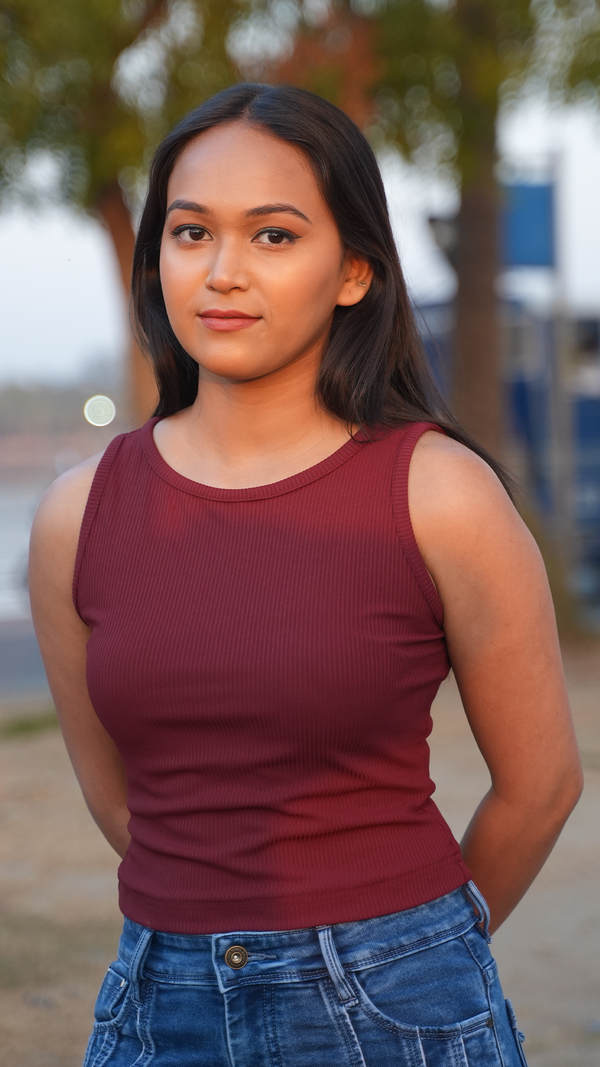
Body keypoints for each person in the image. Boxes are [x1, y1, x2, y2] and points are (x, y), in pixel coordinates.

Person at [29, 84, 582, 1067]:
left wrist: (416, 951)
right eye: (192, 232)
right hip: (157, 1000)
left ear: (355, 271)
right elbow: (123, 804)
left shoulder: (442, 493)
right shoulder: (77, 515)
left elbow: (540, 787)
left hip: (393, 998)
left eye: (274, 237)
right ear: (158, 257)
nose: (223, 272)